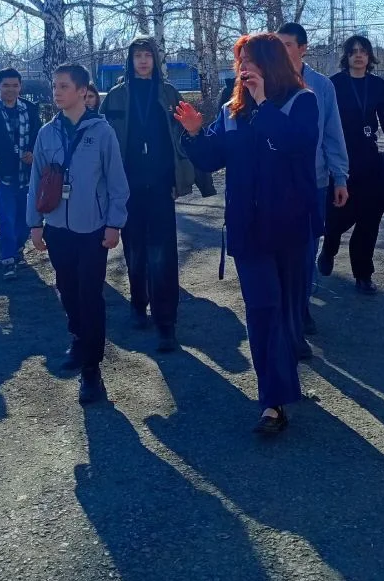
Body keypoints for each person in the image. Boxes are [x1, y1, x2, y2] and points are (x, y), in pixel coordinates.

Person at [174, 34, 319, 436]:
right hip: (248, 229)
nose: (243, 68)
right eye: (240, 61)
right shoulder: (230, 110)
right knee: (262, 309)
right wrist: (194, 133)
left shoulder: (301, 101)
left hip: (290, 226)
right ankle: (273, 402)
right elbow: (212, 158)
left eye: (251, 60)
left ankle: (282, 373)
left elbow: (296, 144)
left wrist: (264, 103)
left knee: (287, 310)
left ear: (271, 63)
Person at [28, 63, 129, 405]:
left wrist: (114, 223)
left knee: (90, 295)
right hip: (57, 227)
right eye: (55, 86)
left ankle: (91, 368)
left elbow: (116, 182)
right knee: (68, 290)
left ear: (83, 91)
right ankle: (78, 338)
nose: (56, 92)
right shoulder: (47, 133)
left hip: (92, 230)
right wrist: (35, 224)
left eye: (64, 86)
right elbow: (36, 182)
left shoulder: (102, 132)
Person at [100, 36, 194, 351]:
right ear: (130, 60)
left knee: (163, 254)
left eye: (147, 55)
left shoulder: (168, 93)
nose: (143, 61)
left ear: (155, 60)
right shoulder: (115, 96)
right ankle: (138, 304)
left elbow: (185, 136)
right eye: (137, 55)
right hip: (127, 187)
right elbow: (103, 143)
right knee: (135, 251)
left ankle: (166, 323)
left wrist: (184, 177)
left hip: (161, 184)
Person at [277, 22, 349, 338]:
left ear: (303, 48)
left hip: (314, 182)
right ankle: (284, 308)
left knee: (307, 248)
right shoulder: (268, 81)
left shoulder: (321, 86)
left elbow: (332, 134)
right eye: (277, 45)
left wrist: (340, 177)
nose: (281, 51)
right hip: (276, 184)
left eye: (287, 45)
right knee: (279, 249)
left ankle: (302, 306)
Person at [320, 35, 384, 294]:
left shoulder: (377, 85)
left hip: (369, 159)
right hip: (340, 160)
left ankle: (363, 274)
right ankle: (329, 249)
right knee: (336, 215)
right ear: (346, 56)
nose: (358, 55)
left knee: (369, 219)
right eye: (353, 51)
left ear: (369, 56)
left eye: (363, 51)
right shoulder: (334, 84)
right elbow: (323, 122)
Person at [0, 68, 39, 278]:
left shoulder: (30, 109)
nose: (10, 90)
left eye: (15, 85)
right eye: (6, 85)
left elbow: (38, 136)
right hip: (1, 174)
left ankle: (18, 248)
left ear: (20, 86)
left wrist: (33, 152)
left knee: (26, 218)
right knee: (6, 217)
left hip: (27, 173)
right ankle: (8, 258)